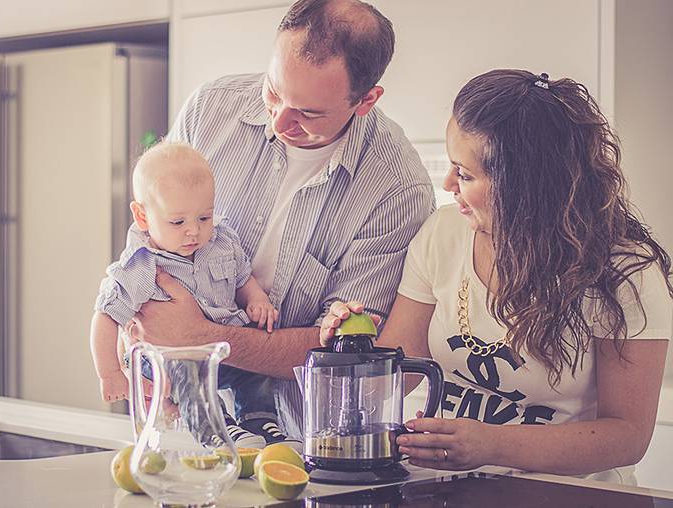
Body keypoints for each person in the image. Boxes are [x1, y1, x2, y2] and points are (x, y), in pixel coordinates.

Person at [320, 69, 673, 483]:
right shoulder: (443, 232)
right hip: (439, 488)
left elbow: (627, 436)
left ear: (523, 186)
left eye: (465, 174)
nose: (448, 184)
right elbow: (401, 371)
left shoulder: (626, 274)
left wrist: (491, 444)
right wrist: (353, 349)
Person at [121, 0, 435, 439]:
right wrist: (135, 336)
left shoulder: (397, 192)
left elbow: (348, 353)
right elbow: (151, 234)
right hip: (180, 415)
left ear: (366, 100)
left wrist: (199, 336)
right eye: (273, 91)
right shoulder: (211, 109)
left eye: (308, 113)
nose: (280, 121)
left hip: (300, 440)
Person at [90, 141, 297, 449]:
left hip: (223, 350)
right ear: (142, 216)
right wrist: (110, 373)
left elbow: (243, 278)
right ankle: (217, 429)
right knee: (187, 368)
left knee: (258, 360)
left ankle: (260, 421)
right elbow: (105, 316)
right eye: (177, 222)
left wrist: (256, 299)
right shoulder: (141, 265)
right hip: (168, 360)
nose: (194, 231)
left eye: (204, 218)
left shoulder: (221, 241)